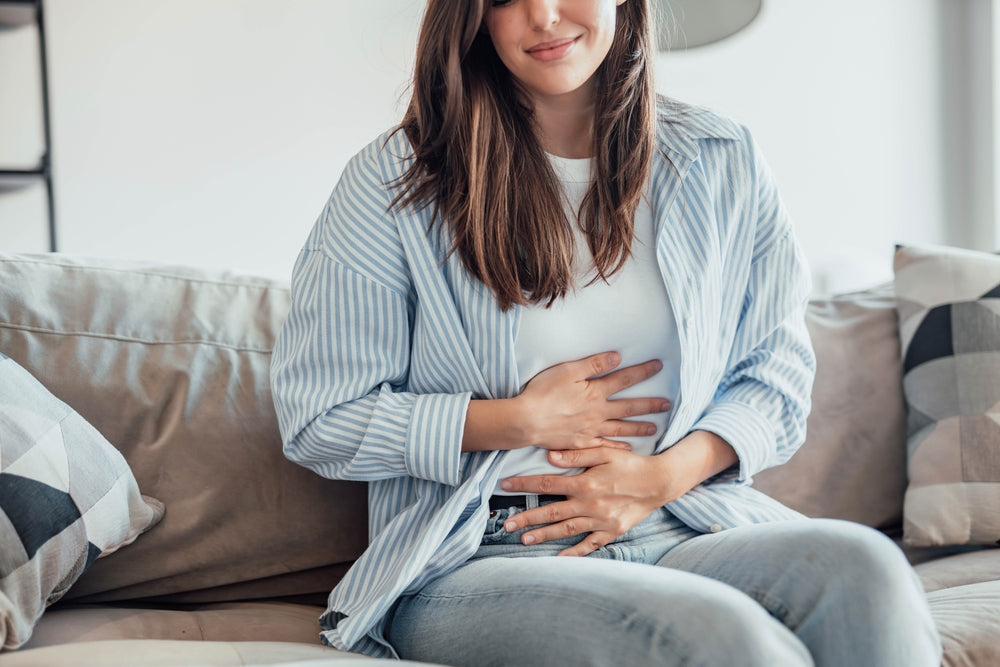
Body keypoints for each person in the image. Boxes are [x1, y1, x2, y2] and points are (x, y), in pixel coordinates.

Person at [270, 0, 942, 664]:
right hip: (481, 551)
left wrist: (659, 478)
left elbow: (775, 379)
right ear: (472, 17)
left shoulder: (722, 159)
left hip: (683, 520)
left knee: (868, 568)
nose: (545, 15)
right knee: (710, 631)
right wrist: (517, 420)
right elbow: (320, 417)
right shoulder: (393, 182)